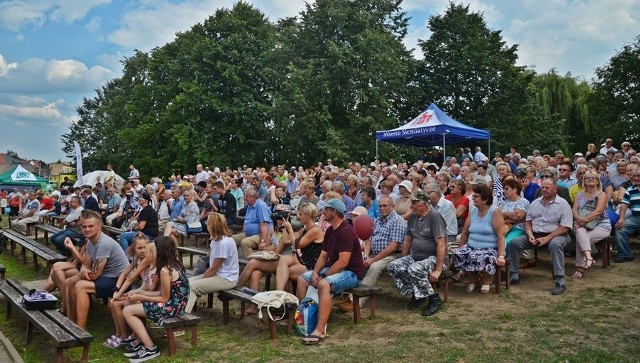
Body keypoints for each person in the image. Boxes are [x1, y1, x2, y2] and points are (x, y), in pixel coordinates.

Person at [296, 198, 364, 344]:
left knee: (324, 284)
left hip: (351, 272)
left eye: (326, 209)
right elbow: (323, 255)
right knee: (302, 278)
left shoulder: (346, 231)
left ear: (334, 212)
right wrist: (315, 272)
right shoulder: (329, 231)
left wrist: (324, 276)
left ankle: (320, 330)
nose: (323, 212)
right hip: (335, 268)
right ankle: (303, 319)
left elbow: (343, 262)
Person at [122, 236, 189, 362]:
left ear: (161, 250)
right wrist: (140, 292)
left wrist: (141, 296)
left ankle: (150, 347)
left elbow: (164, 298)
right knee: (130, 302)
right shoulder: (173, 264)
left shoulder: (165, 270)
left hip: (173, 307)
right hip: (175, 303)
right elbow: (163, 293)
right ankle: (140, 339)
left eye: (155, 248)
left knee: (127, 311)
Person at [64, 210, 130, 328]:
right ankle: (71, 320)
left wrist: (81, 274)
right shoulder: (90, 241)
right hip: (106, 276)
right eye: (84, 226)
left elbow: (94, 275)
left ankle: (80, 328)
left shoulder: (104, 243)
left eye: (91, 226)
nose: (87, 229)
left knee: (80, 286)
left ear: (99, 226)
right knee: (69, 283)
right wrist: (84, 269)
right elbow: (86, 263)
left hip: (119, 280)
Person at [338, 196, 405, 312]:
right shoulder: (378, 220)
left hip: (393, 255)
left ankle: (357, 303)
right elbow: (369, 239)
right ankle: (349, 296)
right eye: (380, 206)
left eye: (385, 206)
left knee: (374, 267)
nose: (382, 208)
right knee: (357, 263)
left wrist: (372, 260)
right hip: (376, 254)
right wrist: (367, 256)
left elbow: (393, 247)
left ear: (392, 206)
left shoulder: (397, 221)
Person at [386, 190, 447, 317]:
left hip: (434, 258)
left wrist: (438, 269)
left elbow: (441, 244)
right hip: (416, 256)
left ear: (424, 204)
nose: (411, 206)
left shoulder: (434, 216)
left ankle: (434, 300)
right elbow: (407, 240)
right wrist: (403, 259)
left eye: (414, 203)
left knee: (414, 269)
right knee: (394, 266)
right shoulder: (413, 216)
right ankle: (419, 294)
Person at [507, 179, 573, 295]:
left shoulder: (563, 204)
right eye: (542, 187)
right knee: (514, 243)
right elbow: (528, 221)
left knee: (555, 244)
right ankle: (514, 275)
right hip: (536, 235)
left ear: (554, 189)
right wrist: (530, 234)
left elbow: (565, 227)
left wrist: (547, 238)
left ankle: (560, 281)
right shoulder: (535, 203)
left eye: (547, 187)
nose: (544, 190)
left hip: (558, 235)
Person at [453, 184, 506, 294]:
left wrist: (501, 255)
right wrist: (460, 248)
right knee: (459, 254)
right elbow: (465, 232)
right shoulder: (473, 210)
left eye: (476, 196)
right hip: (472, 245)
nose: (473, 198)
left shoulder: (494, 211)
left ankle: (485, 280)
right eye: (473, 196)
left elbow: (500, 235)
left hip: (489, 246)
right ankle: (473, 280)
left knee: (485, 257)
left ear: (485, 199)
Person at [105, 235, 156, 348]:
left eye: (145, 247)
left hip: (147, 292)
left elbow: (131, 278)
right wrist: (117, 289)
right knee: (113, 302)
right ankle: (119, 333)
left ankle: (124, 335)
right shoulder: (137, 259)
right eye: (139, 248)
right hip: (142, 289)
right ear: (134, 249)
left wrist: (118, 295)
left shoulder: (148, 259)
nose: (143, 251)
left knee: (116, 303)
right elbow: (123, 274)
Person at [186, 213, 239, 313]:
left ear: (213, 225)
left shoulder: (225, 243)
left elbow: (214, 269)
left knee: (192, 287)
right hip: (217, 275)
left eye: (208, 223)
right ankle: (179, 310)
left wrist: (202, 281)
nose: (206, 225)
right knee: (186, 283)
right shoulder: (215, 240)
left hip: (227, 278)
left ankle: (184, 316)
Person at [275, 203, 324, 290]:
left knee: (284, 273)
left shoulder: (315, 230)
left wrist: (290, 229)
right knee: (283, 259)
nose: (298, 217)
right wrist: (285, 225)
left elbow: (297, 245)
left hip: (311, 265)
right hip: (303, 260)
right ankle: (281, 294)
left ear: (308, 216)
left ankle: (282, 295)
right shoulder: (304, 229)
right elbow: (287, 240)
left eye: (300, 214)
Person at [571, 171, 611, 278]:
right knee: (580, 232)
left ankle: (580, 269)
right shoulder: (579, 195)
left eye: (593, 177)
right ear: (584, 181)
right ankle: (589, 258)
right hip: (582, 224)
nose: (590, 179)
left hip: (601, 224)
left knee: (581, 239)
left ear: (598, 181)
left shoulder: (602, 194)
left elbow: (598, 211)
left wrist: (582, 221)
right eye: (587, 178)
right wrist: (579, 220)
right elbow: (574, 210)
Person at [232, 188, 273, 257]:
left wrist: (263, 241)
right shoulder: (250, 206)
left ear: (252, 197)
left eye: (246, 196)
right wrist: (243, 231)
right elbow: (246, 221)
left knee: (245, 242)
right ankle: (233, 261)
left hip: (261, 234)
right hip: (249, 233)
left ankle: (251, 264)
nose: (245, 198)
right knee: (232, 239)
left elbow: (264, 224)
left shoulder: (261, 205)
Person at [613, 168, 640, 263]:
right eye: (635, 176)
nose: (636, 178)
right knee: (620, 228)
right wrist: (621, 219)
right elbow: (624, 205)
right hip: (636, 217)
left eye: (639, 176)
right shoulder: (630, 190)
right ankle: (625, 254)